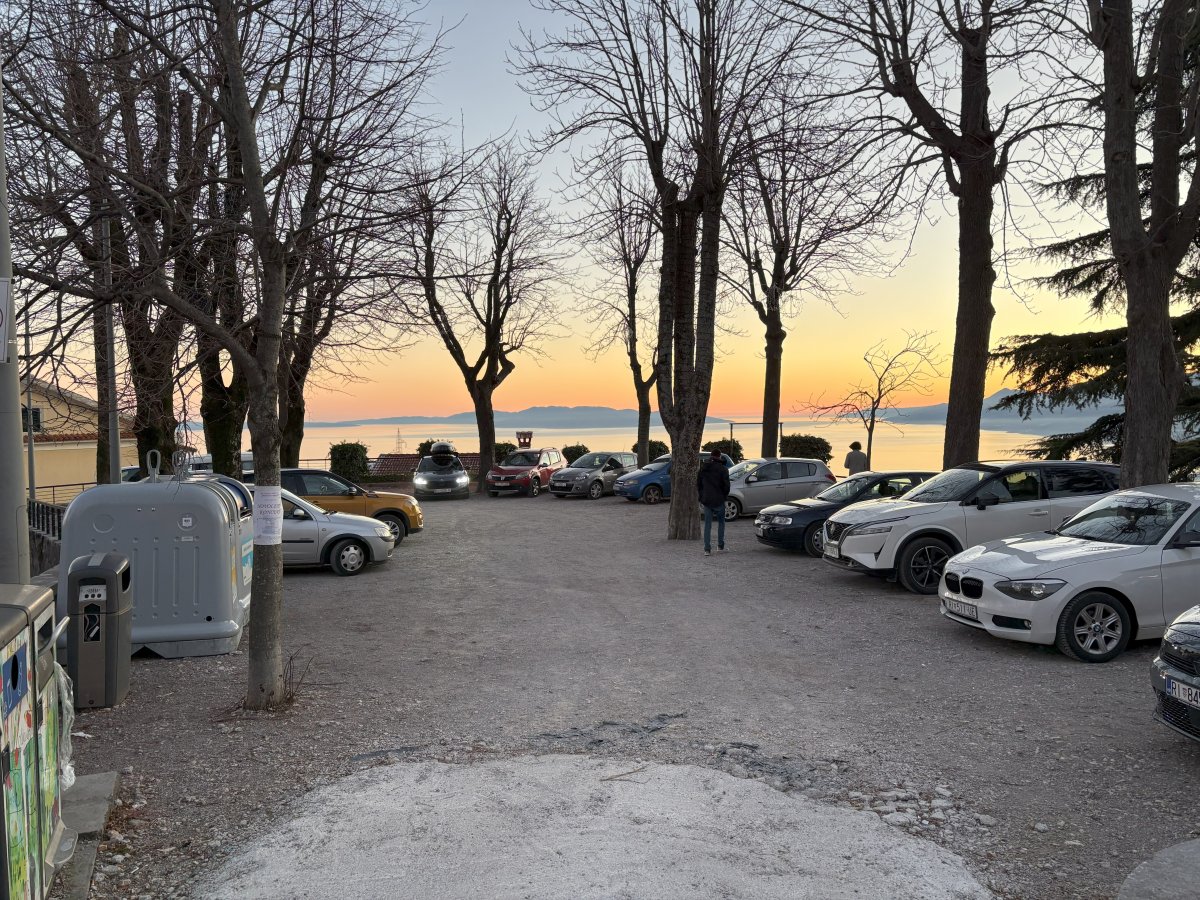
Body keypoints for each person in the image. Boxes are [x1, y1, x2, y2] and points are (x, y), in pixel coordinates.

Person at [697, 449, 731, 556]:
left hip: (707, 499)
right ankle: (720, 546)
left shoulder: (703, 468)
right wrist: (724, 496)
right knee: (721, 523)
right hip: (719, 499)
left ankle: (707, 549)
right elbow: (727, 486)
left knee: (707, 524)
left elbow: (699, 484)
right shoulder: (723, 469)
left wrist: (701, 497)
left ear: (711, 456)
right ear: (719, 456)